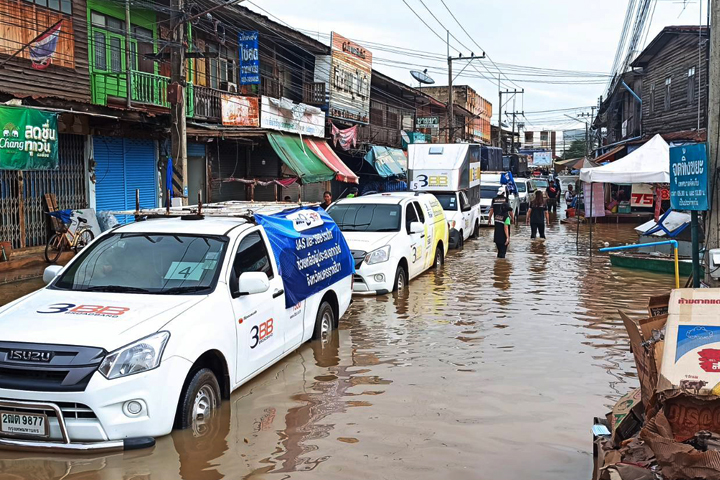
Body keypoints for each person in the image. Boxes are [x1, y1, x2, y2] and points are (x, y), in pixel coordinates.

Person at [488, 187, 512, 258]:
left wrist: (489, 219)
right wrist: (508, 238)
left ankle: (498, 265)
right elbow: (506, 228)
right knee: (503, 251)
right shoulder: (506, 199)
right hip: (504, 220)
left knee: (499, 251)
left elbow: (491, 210)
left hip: (497, 221)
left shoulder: (494, 199)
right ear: (504, 193)